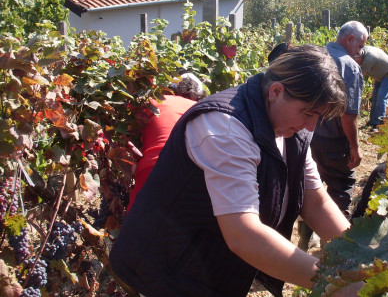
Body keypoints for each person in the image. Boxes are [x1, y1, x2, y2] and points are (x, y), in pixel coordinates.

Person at [110, 45, 363, 297]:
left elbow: (315, 201)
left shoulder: (294, 130)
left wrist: (362, 260)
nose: (312, 126)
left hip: (207, 272)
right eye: (308, 113)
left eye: (318, 117)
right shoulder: (226, 128)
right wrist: (336, 283)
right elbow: (243, 234)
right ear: (276, 91)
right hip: (162, 274)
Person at [310, 21, 368, 217]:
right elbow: (348, 114)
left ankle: (306, 237)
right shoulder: (349, 66)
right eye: (360, 46)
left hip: (306, 136)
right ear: (350, 39)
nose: (360, 52)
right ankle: (334, 243)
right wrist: (355, 146)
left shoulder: (315, 55)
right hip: (333, 143)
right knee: (341, 186)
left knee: (309, 186)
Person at [126, 72, 206, 212]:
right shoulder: (202, 110)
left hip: (152, 169)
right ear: (197, 96)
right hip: (191, 175)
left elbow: (127, 127)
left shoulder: (153, 103)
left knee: (136, 229)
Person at [356, 45, 388, 132]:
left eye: (356, 61)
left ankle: (379, 124)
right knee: (375, 98)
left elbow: (358, 77)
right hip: (380, 75)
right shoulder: (362, 52)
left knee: (381, 97)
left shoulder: (369, 58)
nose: (356, 63)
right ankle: (372, 121)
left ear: (360, 56)